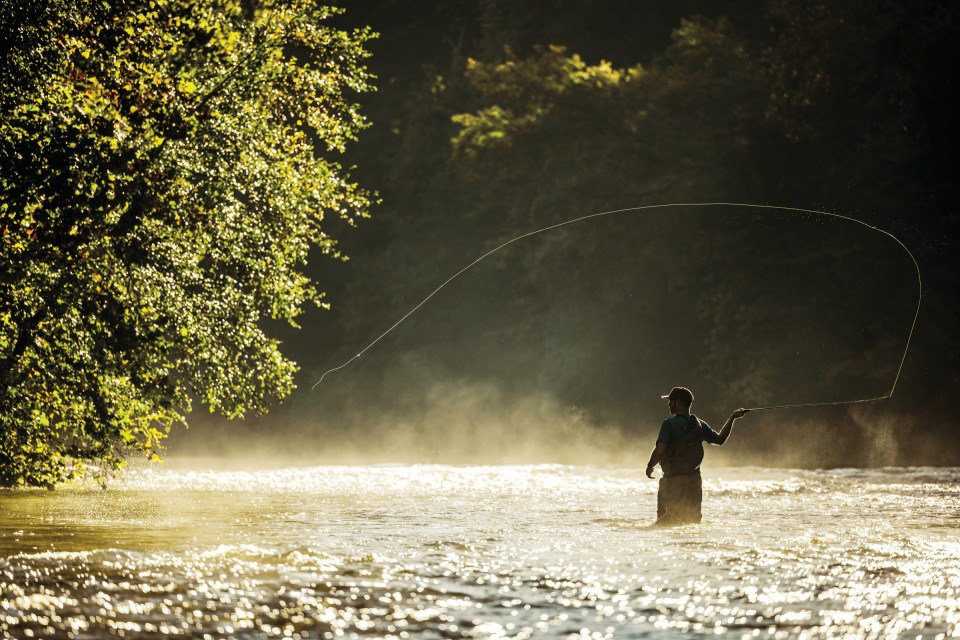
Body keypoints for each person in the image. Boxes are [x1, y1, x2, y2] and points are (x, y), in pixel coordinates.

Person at [645, 386, 750, 525]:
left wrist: (650, 466)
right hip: (694, 481)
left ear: (679, 403)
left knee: (666, 522)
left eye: (671, 401)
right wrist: (733, 417)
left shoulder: (669, 424)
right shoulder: (699, 424)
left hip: (673, 482)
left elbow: (660, 450)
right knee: (692, 521)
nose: (668, 404)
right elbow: (720, 440)